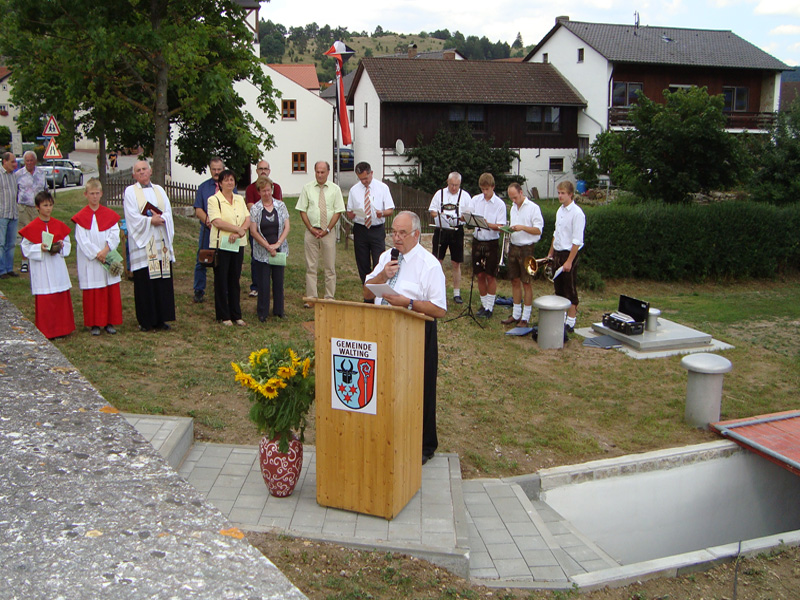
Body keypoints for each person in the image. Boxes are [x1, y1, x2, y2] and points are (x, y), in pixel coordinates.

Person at [364, 211, 446, 465]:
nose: (396, 238)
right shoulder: (386, 257)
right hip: (382, 328)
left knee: (418, 388)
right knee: (386, 386)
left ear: (416, 235)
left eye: (402, 233)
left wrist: (407, 303)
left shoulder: (429, 264)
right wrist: (382, 276)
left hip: (416, 332)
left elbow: (440, 309)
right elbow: (367, 292)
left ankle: (423, 445)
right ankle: (388, 433)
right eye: (393, 232)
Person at [123, 159, 176, 332]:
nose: (142, 172)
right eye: (138, 170)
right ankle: (146, 320)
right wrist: (149, 221)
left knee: (162, 280)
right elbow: (131, 216)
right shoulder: (130, 192)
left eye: (144, 169)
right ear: (134, 175)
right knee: (146, 281)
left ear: (150, 171)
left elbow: (168, 210)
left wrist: (163, 218)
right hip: (144, 243)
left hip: (161, 241)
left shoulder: (159, 189)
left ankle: (161, 318)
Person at [19, 190, 75, 339]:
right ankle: (48, 330)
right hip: (42, 268)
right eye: (45, 205)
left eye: (50, 205)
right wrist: (39, 248)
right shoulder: (32, 227)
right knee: (46, 300)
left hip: (56, 266)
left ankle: (63, 329)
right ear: (37, 207)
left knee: (60, 297)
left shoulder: (58, 225)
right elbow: (25, 248)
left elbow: (68, 243)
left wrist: (62, 245)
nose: (48, 208)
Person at [71, 178, 123, 336]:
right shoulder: (81, 218)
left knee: (109, 290)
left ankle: (109, 321)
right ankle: (94, 323)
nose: (94, 196)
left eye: (97, 193)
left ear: (101, 194)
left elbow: (115, 234)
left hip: (106, 255)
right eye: (91, 194)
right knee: (93, 292)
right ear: (86, 194)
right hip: (91, 261)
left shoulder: (109, 215)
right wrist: (97, 254)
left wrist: (106, 250)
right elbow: (82, 240)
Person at [296, 161, 345, 303]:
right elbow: (302, 210)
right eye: (317, 172)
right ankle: (311, 297)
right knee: (311, 266)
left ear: (328, 172)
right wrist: (311, 228)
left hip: (328, 233)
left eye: (322, 172)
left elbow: (338, 211)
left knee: (329, 266)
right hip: (311, 232)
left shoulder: (335, 189)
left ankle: (329, 297)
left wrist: (328, 229)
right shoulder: (307, 188)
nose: (320, 175)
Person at [207, 169, 250, 326]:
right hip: (222, 245)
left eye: (232, 179)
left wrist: (240, 233)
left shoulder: (239, 199)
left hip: (237, 243)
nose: (229, 182)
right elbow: (216, 221)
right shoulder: (214, 200)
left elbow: (247, 218)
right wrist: (236, 229)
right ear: (220, 183)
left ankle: (236, 314)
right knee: (221, 279)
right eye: (226, 180)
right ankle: (223, 315)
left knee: (234, 279)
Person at [502, 182, 544, 327]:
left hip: (527, 248)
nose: (513, 200)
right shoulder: (513, 208)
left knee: (526, 282)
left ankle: (525, 317)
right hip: (514, 246)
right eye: (511, 198)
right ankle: (516, 314)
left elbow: (538, 230)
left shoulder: (533, 208)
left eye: (515, 197)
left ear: (521, 193)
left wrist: (523, 228)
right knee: (514, 280)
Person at [347, 161, 394, 286]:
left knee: (379, 260)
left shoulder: (382, 188)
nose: (364, 181)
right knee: (362, 262)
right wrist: (351, 214)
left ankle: (379, 288)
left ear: (371, 173)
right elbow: (349, 211)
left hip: (376, 229)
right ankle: (367, 289)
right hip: (360, 228)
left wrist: (382, 213)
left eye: (366, 178)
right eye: (361, 179)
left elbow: (390, 209)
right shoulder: (354, 190)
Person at [547, 180, 586, 333]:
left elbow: (577, 240)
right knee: (559, 288)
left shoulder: (577, 213)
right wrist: (550, 253)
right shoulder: (560, 210)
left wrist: (569, 261)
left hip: (569, 254)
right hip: (557, 252)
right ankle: (561, 318)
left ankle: (571, 321)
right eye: (559, 193)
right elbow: (556, 234)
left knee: (569, 289)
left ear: (570, 194)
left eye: (563, 193)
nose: (560, 196)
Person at [249, 176, 290, 322]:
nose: (267, 193)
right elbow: (253, 231)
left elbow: (287, 226)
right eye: (263, 191)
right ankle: (262, 312)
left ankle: (279, 310)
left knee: (278, 282)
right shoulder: (255, 208)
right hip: (262, 252)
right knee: (264, 283)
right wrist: (267, 246)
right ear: (259, 192)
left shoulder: (280, 206)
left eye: (268, 190)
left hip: (279, 250)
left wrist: (277, 244)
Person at [467, 172, 507, 318]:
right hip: (478, 239)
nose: (484, 192)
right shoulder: (476, 200)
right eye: (482, 189)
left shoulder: (499, 204)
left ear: (493, 187)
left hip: (491, 241)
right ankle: (484, 305)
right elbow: (469, 216)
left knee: (490, 275)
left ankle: (490, 306)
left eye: (487, 189)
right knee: (480, 274)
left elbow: (501, 226)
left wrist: (486, 224)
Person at [428, 172, 470, 304]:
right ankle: (437, 290)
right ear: (447, 182)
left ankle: (456, 292)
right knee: (437, 261)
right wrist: (439, 215)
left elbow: (469, 214)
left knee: (456, 262)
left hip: (457, 230)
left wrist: (462, 217)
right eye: (452, 185)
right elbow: (432, 210)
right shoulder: (439, 194)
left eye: (456, 185)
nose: (454, 188)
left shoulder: (465, 196)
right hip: (441, 230)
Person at [245, 160, 283, 298]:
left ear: (269, 170)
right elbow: (250, 207)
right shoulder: (250, 188)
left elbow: (279, 207)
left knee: (276, 258)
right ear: (256, 171)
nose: (263, 171)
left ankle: (275, 288)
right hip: (257, 227)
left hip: (273, 229)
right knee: (256, 258)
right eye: (260, 168)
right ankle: (256, 286)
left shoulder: (276, 187)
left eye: (265, 168)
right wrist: (261, 217)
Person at [192, 156, 224, 303]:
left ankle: (223, 289)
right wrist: (211, 223)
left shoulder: (230, 186)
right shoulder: (203, 187)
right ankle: (199, 290)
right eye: (214, 169)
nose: (216, 172)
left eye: (219, 169)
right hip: (208, 229)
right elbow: (198, 209)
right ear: (210, 170)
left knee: (223, 261)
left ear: (223, 169)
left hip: (224, 231)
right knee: (203, 259)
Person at [16, 151, 48, 274]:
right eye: (27, 161)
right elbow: (16, 192)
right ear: (24, 162)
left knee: (39, 234)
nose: (29, 163)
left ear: (35, 161)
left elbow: (45, 190)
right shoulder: (18, 174)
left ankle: (39, 258)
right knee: (24, 235)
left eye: (31, 160)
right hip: (23, 208)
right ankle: (24, 262)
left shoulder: (41, 173)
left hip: (37, 209)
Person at [0, 152, 19, 279]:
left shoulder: (13, 176)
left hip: (13, 214)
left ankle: (9, 268)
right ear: (4, 162)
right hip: (2, 214)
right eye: (12, 162)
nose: (15, 164)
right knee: (1, 243)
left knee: (11, 243)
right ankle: (1, 270)